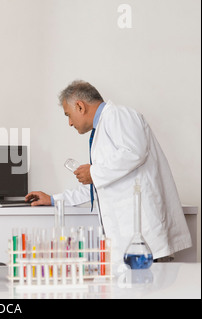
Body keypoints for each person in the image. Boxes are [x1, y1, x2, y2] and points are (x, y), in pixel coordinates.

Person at [25, 80, 192, 262]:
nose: (70, 123)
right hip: (130, 244)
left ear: (80, 107)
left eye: (68, 115)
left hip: (146, 240)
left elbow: (135, 152)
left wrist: (94, 172)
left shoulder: (119, 115)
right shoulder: (102, 132)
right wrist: (53, 200)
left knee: (153, 287)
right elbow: (99, 186)